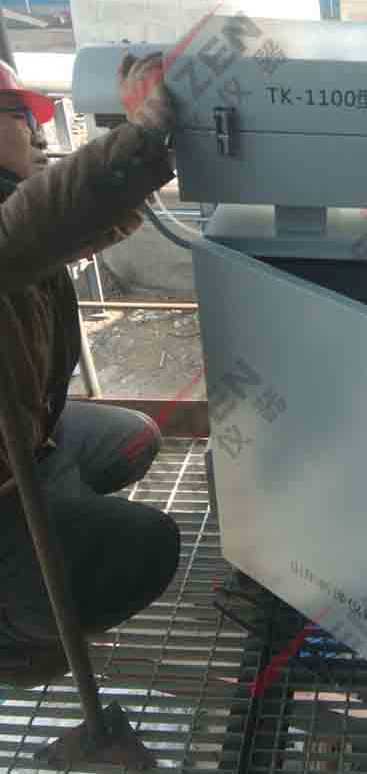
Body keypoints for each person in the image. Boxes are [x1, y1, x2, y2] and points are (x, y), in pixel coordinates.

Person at [0, 53, 181, 687]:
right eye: (20, 115)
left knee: (136, 437)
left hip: (22, 441)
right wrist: (142, 134)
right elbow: (33, 228)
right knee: (145, 547)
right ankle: (11, 635)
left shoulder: (12, 211)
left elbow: (55, 227)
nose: (38, 133)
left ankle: (56, 508)